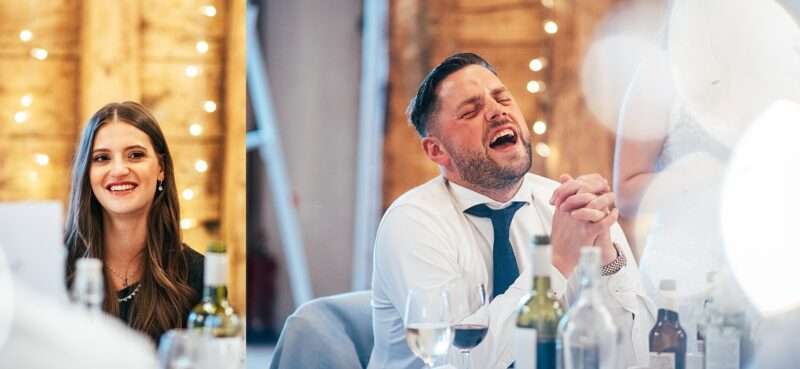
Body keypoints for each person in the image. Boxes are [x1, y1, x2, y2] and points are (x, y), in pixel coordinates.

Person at [369, 53, 656, 369]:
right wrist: (555, 263)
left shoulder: (569, 206)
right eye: (470, 111)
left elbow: (636, 353)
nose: (497, 112)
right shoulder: (412, 223)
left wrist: (604, 255)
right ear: (437, 150)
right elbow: (456, 359)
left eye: (502, 97)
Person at [64, 101, 204, 342]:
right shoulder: (57, 268)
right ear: (87, 173)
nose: (118, 169)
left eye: (135, 155)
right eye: (101, 158)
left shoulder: (197, 273)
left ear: (161, 168)